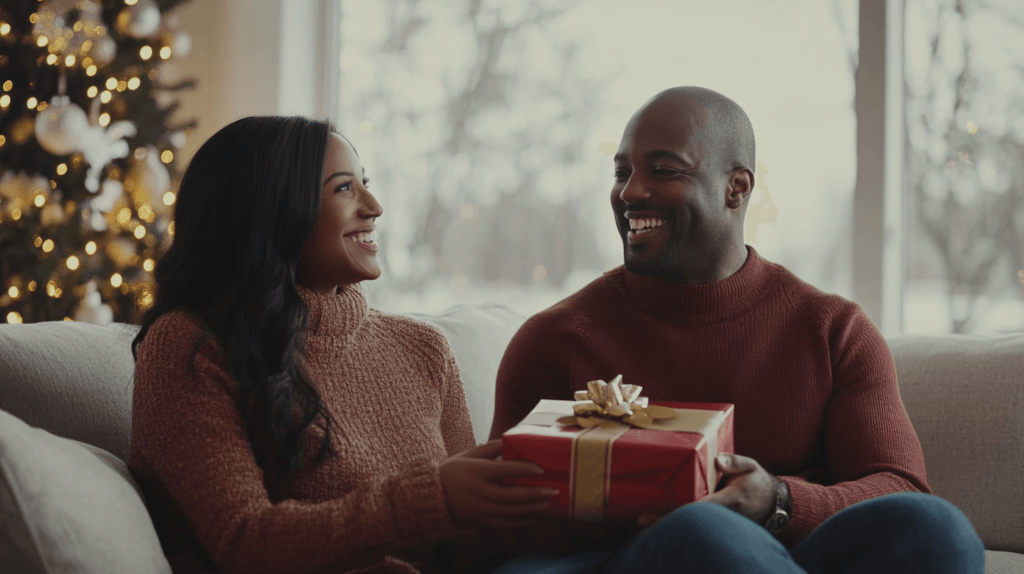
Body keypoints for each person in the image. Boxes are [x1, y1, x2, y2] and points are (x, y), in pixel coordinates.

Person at [487, 87, 985, 573]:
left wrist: (776, 500)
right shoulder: (553, 340)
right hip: (626, 557)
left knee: (937, 529)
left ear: (737, 188)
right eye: (622, 172)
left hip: (786, 547)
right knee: (700, 531)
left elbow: (898, 486)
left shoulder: (833, 331)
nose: (630, 192)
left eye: (664, 171)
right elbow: (498, 523)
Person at [128, 116, 558, 574]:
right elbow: (245, 541)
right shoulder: (190, 346)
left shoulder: (423, 348)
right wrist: (432, 496)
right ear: (271, 210)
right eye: (343, 189)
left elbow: (467, 545)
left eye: (365, 184)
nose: (373, 206)